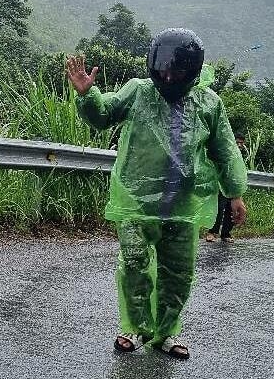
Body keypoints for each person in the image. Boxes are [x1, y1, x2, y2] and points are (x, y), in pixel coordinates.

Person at [66, 28, 248, 359]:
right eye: (162, 67)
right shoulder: (138, 92)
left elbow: (225, 151)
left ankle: (166, 333)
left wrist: (234, 192)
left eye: (175, 70)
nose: (167, 75)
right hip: (136, 201)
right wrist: (87, 95)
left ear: (191, 71)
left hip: (183, 205)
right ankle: (136, 328)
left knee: (177, 272)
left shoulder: (209, 104)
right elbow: (103, 115)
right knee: (134, 264)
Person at [206, 134, 248, 243]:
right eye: (237, 142)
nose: (239, 145)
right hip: (221, 184)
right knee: (219, 208)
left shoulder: (240, 156)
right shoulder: (224, 151)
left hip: (233, 186)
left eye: (241, 143)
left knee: (231, 209)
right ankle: (212, 232)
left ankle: (226, 234)